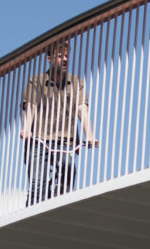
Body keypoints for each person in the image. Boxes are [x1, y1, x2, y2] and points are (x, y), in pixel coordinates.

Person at [20, 42, 98, 206]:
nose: (65, 60)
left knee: (68, 168)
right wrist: (26, 129)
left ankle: (59, 202)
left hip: (64, 141)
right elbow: (31, 107)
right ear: (49, 58)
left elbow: (81, 109)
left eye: (67, 56)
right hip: (38, 140)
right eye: (61, 56)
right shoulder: (36, 81)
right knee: (38, 185)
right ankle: (34, 212)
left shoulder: (76, 83)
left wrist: (89, 135)